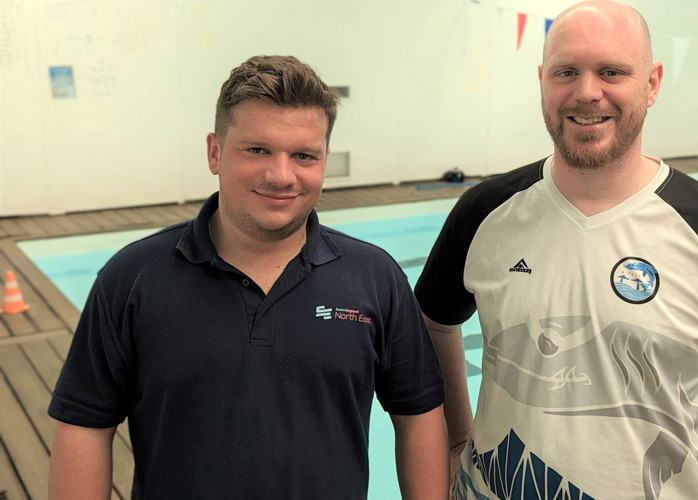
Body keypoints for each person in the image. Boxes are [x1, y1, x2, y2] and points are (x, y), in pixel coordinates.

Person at [414, 2, 698, 499]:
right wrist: (458, 438)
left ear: (652, 83)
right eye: (566, 72)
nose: (586, 92)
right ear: (542, 81)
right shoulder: (486, 211)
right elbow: (432, 320)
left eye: (612, 72)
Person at [47, 55, 448, 499]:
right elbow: (85, 425)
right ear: (215, 152)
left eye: (303, 155)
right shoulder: (133, 278)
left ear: (324, 160)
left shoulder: (374, 278)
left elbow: (418, 415)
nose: (281, 175)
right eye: (257, 150)